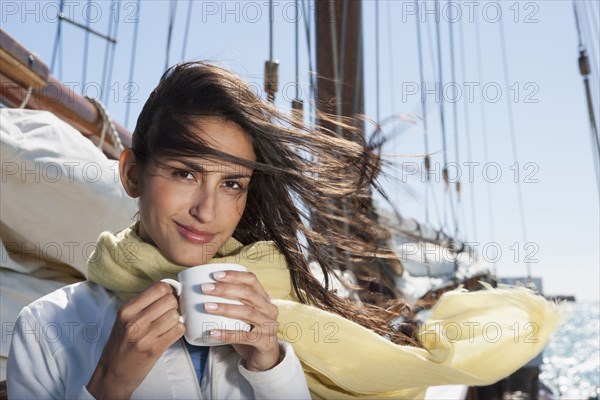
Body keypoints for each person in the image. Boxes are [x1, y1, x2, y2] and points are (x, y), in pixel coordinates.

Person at [7, 62, 564, 399]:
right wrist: (108, 384)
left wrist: (270, 362)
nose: (208, 209)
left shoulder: (276, 305)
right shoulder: (47, 327)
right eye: (184, 173)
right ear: (131, 173)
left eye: (232, 184)